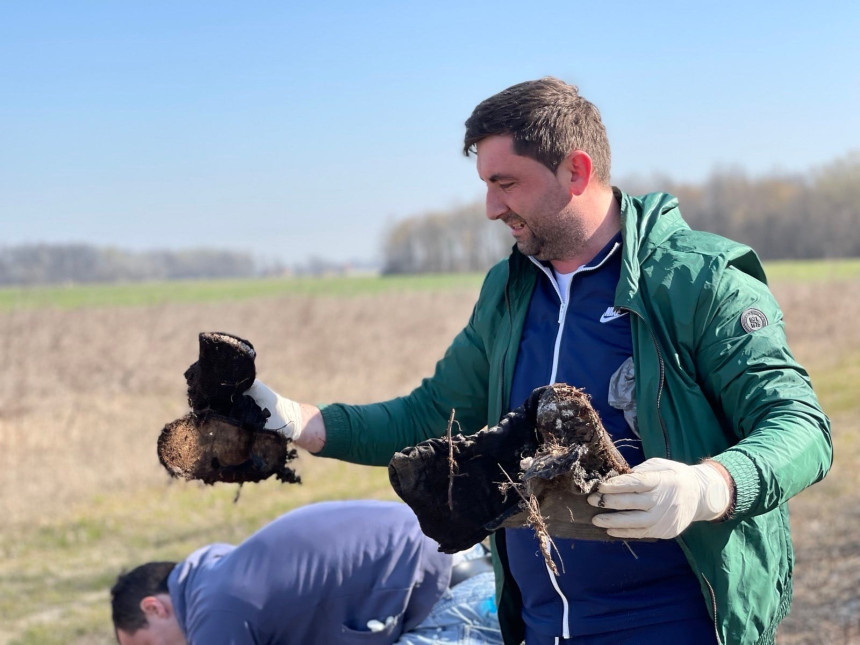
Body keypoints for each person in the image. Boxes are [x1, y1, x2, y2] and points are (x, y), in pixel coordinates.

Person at [243, 77, 832, 645]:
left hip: (675, 622)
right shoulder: (509, 289)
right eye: (486, 184)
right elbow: (431, 416)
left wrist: (709, 485)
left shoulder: (698, 281)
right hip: (542, 626)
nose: (490, 207)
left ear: (575, 170)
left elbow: (801, 427)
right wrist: (295, 421)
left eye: (506, 182)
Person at [111, 499, 502, 645]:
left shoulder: (216, 610)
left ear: (154, 608)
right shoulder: (226, 577)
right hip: (469, 580)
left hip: (449, 608)